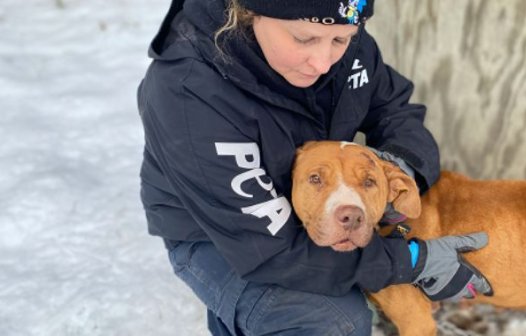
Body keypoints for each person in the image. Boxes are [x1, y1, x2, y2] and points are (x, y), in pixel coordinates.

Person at [137, 0, 492, 334]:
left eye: (341, 39)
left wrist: (396, 168)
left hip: (318, 198)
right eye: (304, 38)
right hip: (216, 234)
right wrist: (412, 259)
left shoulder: (345, 45)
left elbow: (395, 111)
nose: (323, 62)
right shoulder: (190, 91)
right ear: (248, 11)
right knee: (334, 320)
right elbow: (270, 252)